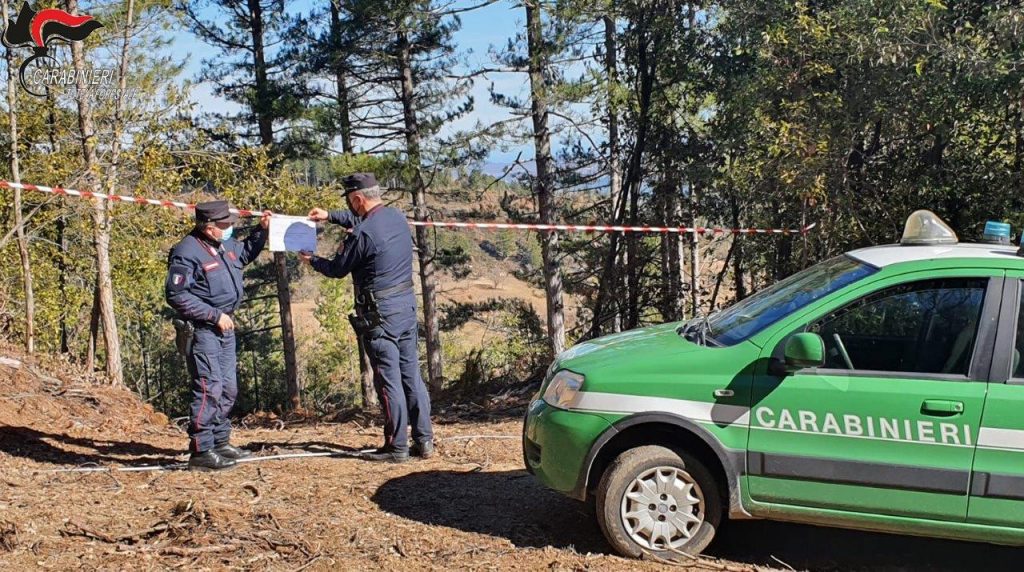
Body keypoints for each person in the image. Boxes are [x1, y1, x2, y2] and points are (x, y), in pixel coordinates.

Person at [302, 173, 434, 463]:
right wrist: (331, 216)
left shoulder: (363, 234)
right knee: (411, 375)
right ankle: (424, 440)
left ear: (358, 199)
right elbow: (361, 222)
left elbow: (338, 269)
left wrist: (312, 260)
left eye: (351, 203)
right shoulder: (397, 218)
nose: (350, 209)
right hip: (405, 308)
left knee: (388, 381)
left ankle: (396, 446)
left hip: (379, 315)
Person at [165, 200, 271, 471]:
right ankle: (201, 450)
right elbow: (176, 294)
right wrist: (213, 316)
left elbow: (245, 254)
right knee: (208, 388)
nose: (231, 229)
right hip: (203, 330)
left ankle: (220, 441)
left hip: (225, 328)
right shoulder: (186, 252)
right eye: (225, 225)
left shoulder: (224, 245)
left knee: (227, 388)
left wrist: (261, 231)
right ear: (210, 228)